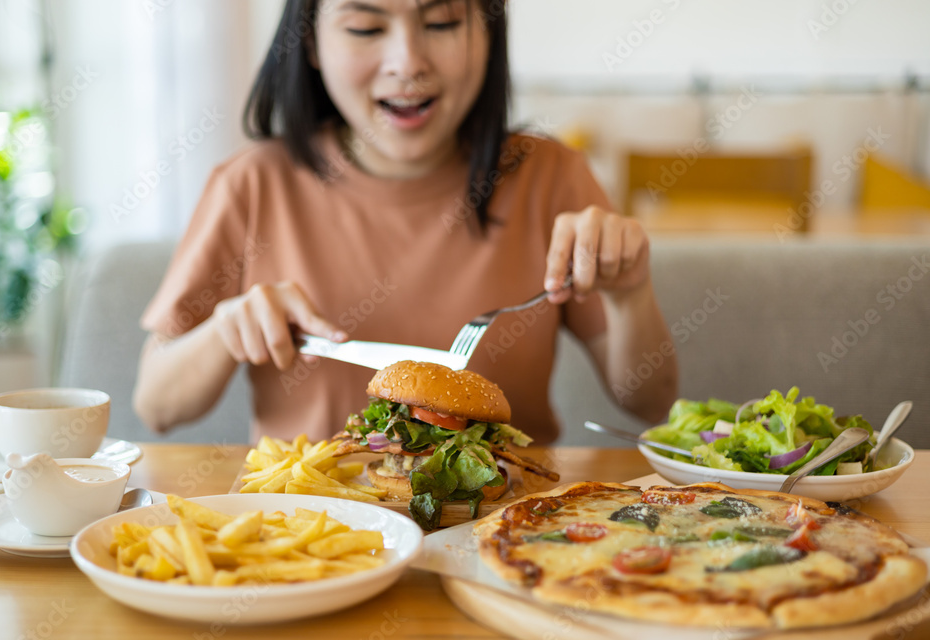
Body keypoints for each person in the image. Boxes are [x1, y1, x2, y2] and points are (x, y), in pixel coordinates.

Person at [133, 0, 677, 446]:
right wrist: (226, 331)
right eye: (366, 27)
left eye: (441, 22)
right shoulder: (251, 185)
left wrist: (630, 294)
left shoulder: (550, 177)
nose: (408, 61)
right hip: (309, 535)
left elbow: (651, 403)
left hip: (506, 528)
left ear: (489, 33)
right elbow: (155, 406)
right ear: (311, 42)